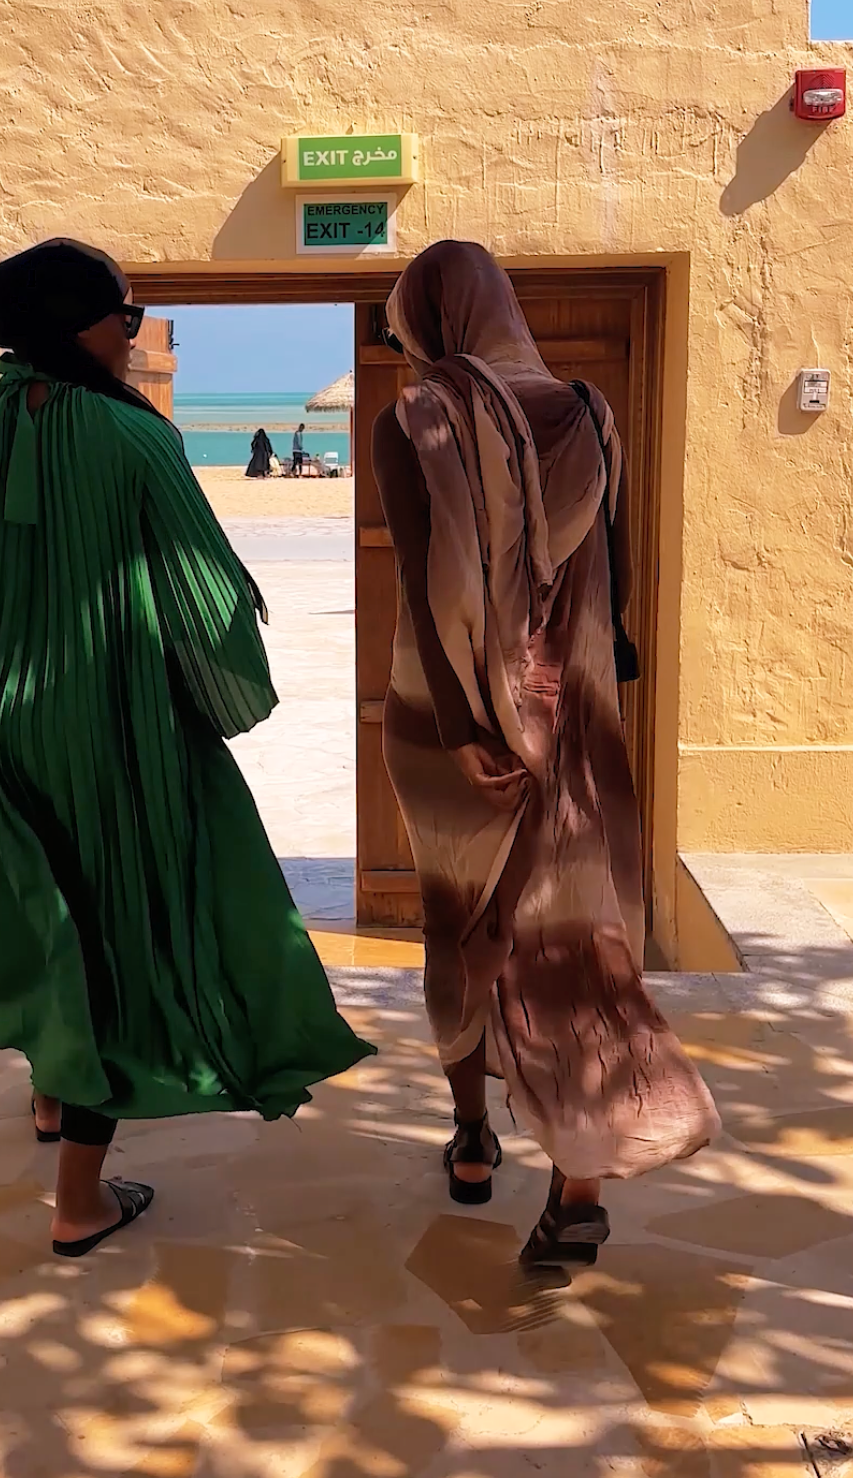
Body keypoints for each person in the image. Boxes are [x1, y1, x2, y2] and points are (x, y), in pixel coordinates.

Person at [0, 239, 373, 1258]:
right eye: (125, 317)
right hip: (119, 734)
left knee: (38, 916)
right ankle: (79, 1201)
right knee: (116, 940)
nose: (133, 336)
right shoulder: (137, 438)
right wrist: (225, 699)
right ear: (80, 326)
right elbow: (204, 594)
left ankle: (52, 1092)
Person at [372, 241, 718, 1268]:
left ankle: (475, 1140)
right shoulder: (589, 412)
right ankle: (577, 1182)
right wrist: (587, 679)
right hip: (573, 708)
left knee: (459, 922)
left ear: (428, 318)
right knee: (568, 931)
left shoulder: (417, 415)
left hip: (447, 718)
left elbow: (422, 583)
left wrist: (464, 723)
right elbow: (614, 569)